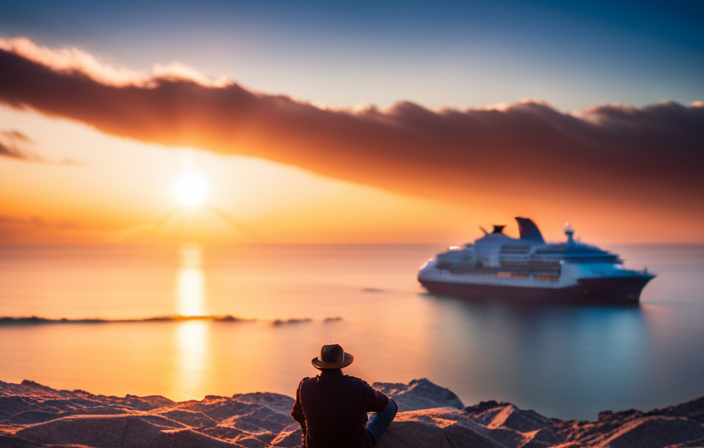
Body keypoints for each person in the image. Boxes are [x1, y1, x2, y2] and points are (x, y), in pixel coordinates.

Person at [291, 344, 398, 448]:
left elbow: (296, 414)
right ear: (342, 364)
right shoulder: (359, 386)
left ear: (321, 364)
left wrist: (310, 434)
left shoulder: (305, 386)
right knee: (391, 406)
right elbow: (384, 404)